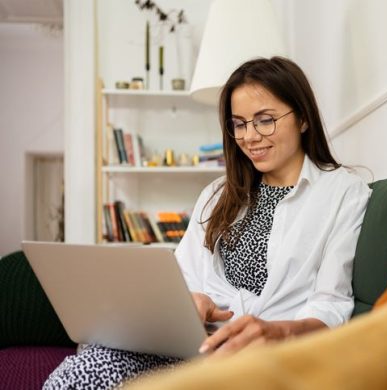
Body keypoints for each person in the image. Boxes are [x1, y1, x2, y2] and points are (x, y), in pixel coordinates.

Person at [43, 56, 370, 389]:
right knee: (82, 371)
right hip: (195, 346)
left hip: (262, 359)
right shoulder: (218, 194)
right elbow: (185, 275)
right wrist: (190, 302)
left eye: (265, 120)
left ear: (302, 118)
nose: (250, 137)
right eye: (239, 124)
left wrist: (276, 332)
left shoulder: (343, 192)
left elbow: (332, 303)